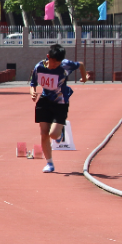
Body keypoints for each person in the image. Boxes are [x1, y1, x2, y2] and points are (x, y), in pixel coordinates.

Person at [30, 43, 91, 173]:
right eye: (53, 63)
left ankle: (57, 131)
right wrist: (32, 92)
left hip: (61, 102)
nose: (55, 66)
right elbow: (33, 83)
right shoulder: (39, 67)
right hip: (44, 101)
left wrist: (84, 77)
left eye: (57, 63)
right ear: (48, 57)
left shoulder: (65, 65)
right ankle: (49, 163)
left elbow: (80, 64)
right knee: (44, 134)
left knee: (53, 134)